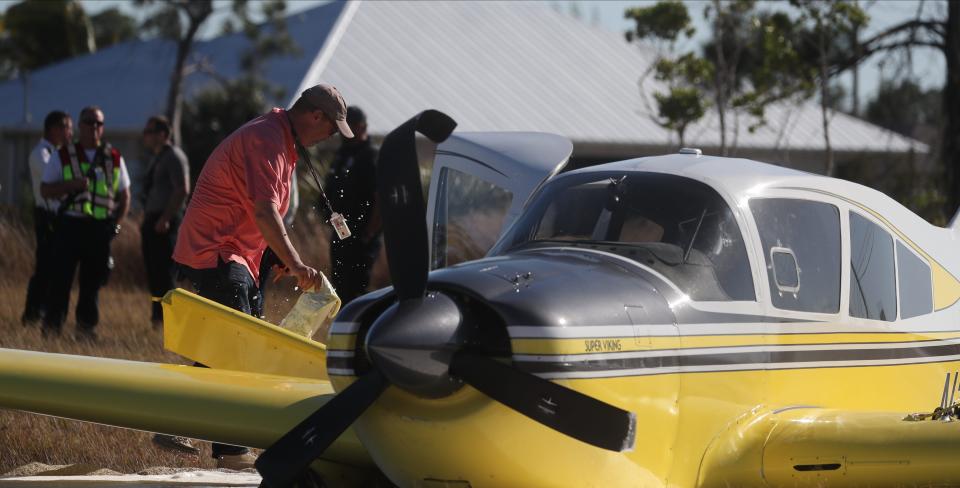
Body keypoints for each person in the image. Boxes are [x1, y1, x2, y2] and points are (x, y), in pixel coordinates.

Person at [171, 83, 353, 469]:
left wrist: (272, 255)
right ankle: (230, 451)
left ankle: (175, 422)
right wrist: (298, 262)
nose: (331, 137)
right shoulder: (267, 139)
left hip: (235, 254)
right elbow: (265, 212)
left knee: (227, 348)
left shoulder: (282, 141)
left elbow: (256, 210)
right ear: (315, 116)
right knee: (237, 349)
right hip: (218, 251)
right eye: (332, 128)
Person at [40, 106, 131, 340]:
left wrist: (116, 225)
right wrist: (70, 186)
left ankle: (85, 329)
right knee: (61, 280)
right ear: (79, 126)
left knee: (92, 284)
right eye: (89, 122)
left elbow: (125, 195)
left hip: (100, 229)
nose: (94, 128)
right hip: (70, 225)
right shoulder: (63, 154)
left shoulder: (113, 157)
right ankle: (52, 329)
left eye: (99, 123)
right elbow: (45, 190)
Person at [22, 110, 73, 326]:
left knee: (55, 265)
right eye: (66, 127)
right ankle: (33, 312)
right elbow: (52, 182)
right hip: (46, 214)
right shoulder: (41, 153)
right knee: (44, 265)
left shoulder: (58, 153)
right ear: (53, 128)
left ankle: (43, 310)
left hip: (58, 214)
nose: (69, 132)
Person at [325, 106, 381, 303]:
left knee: (356, 288)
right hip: (340, 231)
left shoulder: (371, 155)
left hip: (361, 236)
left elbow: (380, 198)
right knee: (339, 286)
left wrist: (368, 233)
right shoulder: (343, 153)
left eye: (350, 126)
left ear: (361, 126)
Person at [140, 115, 190, 326]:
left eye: (150, 131)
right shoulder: (157, 157)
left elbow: (182, 189)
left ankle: (172, 321)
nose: (145, 136)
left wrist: (166, 218)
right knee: (154, 273)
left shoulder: (174, 156)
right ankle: (157, 318)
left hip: (165, 223)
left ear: (162, 134)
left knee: (166, 273)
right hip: (153, 221)